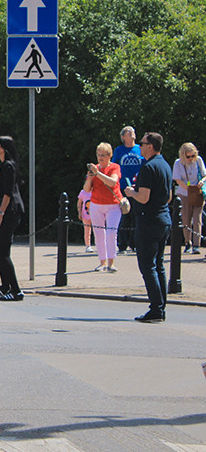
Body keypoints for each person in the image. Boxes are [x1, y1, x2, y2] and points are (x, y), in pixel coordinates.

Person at [123, 132, 172, 323]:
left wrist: (130, 192)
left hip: (148, 221)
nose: (140, 147)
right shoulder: (165, 165)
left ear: (150, 146)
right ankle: (161, 307)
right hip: (163, 219)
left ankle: (156, 309)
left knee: (147, 265)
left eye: (142, 144)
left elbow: (143, 197)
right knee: (158, 265)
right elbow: (168, 196)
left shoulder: (148, 167)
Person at [0, 136, 25, 302]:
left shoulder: (9, 166)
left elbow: (8, 193)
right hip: (5, 211)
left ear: (3, 148)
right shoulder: (2, 166)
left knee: (2, 251)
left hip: (10, 211)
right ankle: (5, 286)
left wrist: (0, 214)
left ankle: (16, 290)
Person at [84, 142, 122, 272]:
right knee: (99, 233)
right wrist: (89, 178)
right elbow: (86, 189)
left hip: (113, 205)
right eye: (99, 155)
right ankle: (102, 262)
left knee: (111, 232)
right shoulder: (94, 168)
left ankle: (111, 262)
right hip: (96, 204)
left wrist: (98, 174)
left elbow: (112, 182)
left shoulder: (115, 167)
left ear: (110, 155)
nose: (100, 158)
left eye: (103, 155)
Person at [112, 126, 143, 254]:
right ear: (123, 137)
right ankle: (122, 244)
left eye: (133, 132)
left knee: (137, 215)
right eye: (128, 132)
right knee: (124, 215)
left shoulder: (139, 149)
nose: (131, 134)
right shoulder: (119, 150)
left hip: (138, 186)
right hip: (123, 187)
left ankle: (135, 244)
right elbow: (113, 165)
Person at [172, 142, 204, 254]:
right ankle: (187, 242)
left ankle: (196, 244)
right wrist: (188, 188)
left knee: (197, 219)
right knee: (186, 219)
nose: (191, 158)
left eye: (192, 156)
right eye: (188, 156)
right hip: (184, 193)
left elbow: (204, 175)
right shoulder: (178, 163)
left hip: (197, 193)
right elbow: (177, 179)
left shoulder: (198, 160)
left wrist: (201, 182)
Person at [77, 187, 93, 254]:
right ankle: (88, 246)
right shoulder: (83, 192)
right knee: (87, 230)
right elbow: (79, 203)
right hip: (85, 215)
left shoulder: (96, 191)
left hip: (96, 214)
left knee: (98, 230)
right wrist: (79, 212)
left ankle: (100, 246)